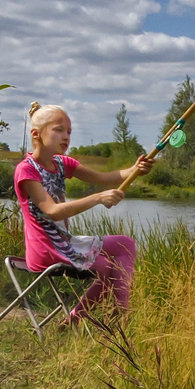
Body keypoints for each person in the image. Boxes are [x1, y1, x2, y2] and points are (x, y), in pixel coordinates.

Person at [14, 101, 154, 323]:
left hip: (66, 243)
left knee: (125, 244)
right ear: (37, 134)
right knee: (108, 266)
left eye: (69, 131)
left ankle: (116, 314)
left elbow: (103, 178)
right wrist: (98, 198)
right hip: (45, 250)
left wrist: (135, 169)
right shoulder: (27, 170)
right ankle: (89, 318)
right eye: (58, 130)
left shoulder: (62, 164)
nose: (66, 136)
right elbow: (52, 211)